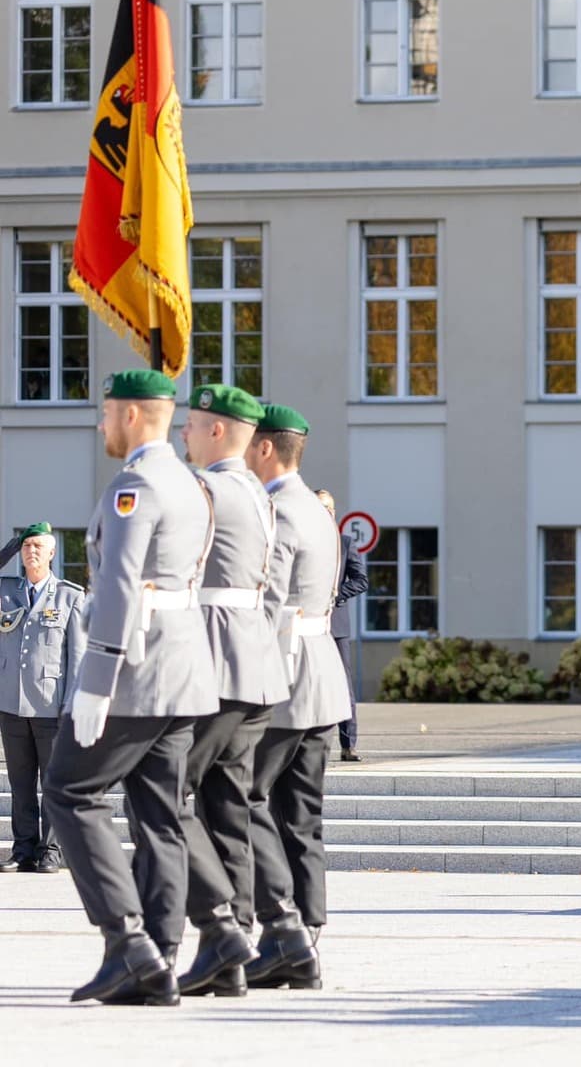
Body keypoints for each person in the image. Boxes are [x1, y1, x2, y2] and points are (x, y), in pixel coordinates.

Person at [42, 369, 216, 1006]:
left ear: (134, 416)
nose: (100, 424)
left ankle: (128, 940)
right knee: (161, 815)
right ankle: (161, 958)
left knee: (68, 789)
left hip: (136, 672)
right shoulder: (194, 484)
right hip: (184, 672)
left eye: (107, 412)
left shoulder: (137, 485)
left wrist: (96, 679)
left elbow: (118, 582)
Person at [169, 384, 289, 998]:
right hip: (256, 662)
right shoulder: (257, 491)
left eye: (190, 425)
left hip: (216, 662)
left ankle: (217, 929)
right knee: (225, 806)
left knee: (170, 794)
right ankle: (236, 944)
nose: (181, 435)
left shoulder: (207, 489)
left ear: (217, 431)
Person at [242, 405, 352, 990]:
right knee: (301, 817)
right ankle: (304, 936)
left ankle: (280, 930)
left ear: (265, 449)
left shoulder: (279, 512)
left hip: (283, 679)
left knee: (242, 797)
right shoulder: (315, 508)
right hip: (319, 678)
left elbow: (266, 603)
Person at [0, 523, 85, 874]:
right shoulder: (5, 592)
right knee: (20, 783)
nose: (32, 551)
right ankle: (22, 849)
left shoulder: (70, 596)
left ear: (52, 554)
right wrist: (11, 544)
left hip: (52, 706)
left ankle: (50, 850)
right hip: (10, 703)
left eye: (39, 546)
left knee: (52, 782)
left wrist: (72, 706)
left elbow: (77, 656)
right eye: (27, 546)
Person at [316, 489, 368, 763]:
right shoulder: (306, 541)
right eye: (319, 507)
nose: (325, 513)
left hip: (336, 626)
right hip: (307, 625)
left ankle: (349, 745)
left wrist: (336, 593)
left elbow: (361, 580)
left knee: (344, 687)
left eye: (328, 508)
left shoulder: (345, 544)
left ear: (334, 512)